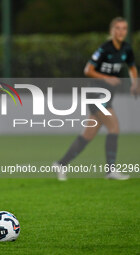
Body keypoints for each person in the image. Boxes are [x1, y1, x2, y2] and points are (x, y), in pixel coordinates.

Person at [54, 17, 139, 181]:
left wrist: (134, 83)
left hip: (107, 95)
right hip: (95, 93)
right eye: (118, 28)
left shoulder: (126, 49)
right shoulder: (104, 49)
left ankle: (61, 164)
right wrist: (107, 78)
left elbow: (132, 67)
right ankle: (110, 170)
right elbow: (88, 70)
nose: (121, 31)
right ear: (111, 31)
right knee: (114, 128)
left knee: (88, 134)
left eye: (124, 28)